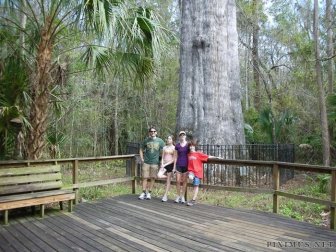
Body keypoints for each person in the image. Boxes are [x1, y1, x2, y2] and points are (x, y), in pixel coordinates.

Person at [139, 126, 165, 200]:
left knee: (153, 178)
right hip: (146, 162)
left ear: (156, 132)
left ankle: (149, 193)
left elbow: (164, 150)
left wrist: (162, 160)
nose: (152, 132)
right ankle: (143, 192)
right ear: (149, 133)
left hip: (155, 162)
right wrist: (142, 158)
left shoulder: (160, 141)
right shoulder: (146, 140)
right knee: (145, 177)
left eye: (154, 131)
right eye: (151, 131)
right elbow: (141, 149)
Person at [186, 140, 213, 206]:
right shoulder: (188, 154)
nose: (191, 147)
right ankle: (192, 199)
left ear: (194, 147)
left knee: (196, 185)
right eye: (190, 146)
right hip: (191, 173)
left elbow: (207, 156)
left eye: (193, 146)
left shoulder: (198, 153)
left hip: (197, 172)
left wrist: (217, 157)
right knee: (193, 184)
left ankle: (193, 200)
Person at [173, 131, 189, 203]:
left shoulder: (188, 145)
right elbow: (175, 156)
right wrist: (174, 167)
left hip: (186, 165)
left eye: (183, 135)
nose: (182, 136)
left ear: (185, 136)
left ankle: (182, 197)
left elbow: (191, 154)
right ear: (179, 136)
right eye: (181, 135)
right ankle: (178, 196)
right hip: (178, 164)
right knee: (178, 181)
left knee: (184, 181)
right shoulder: (177, 145)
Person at [160, 135, 175, 202]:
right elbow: (162, 157)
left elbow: (173, 159)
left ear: (172, 140)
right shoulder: (164, 147)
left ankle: (165, 196)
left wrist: (166, 164)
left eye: (170, 139)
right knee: (159, 175)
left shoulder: (174, 148)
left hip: (170, 165)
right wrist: (162, 164)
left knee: (168, 182)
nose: (168, 140)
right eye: (168, 139)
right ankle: (168, 177)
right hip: (164, 164)